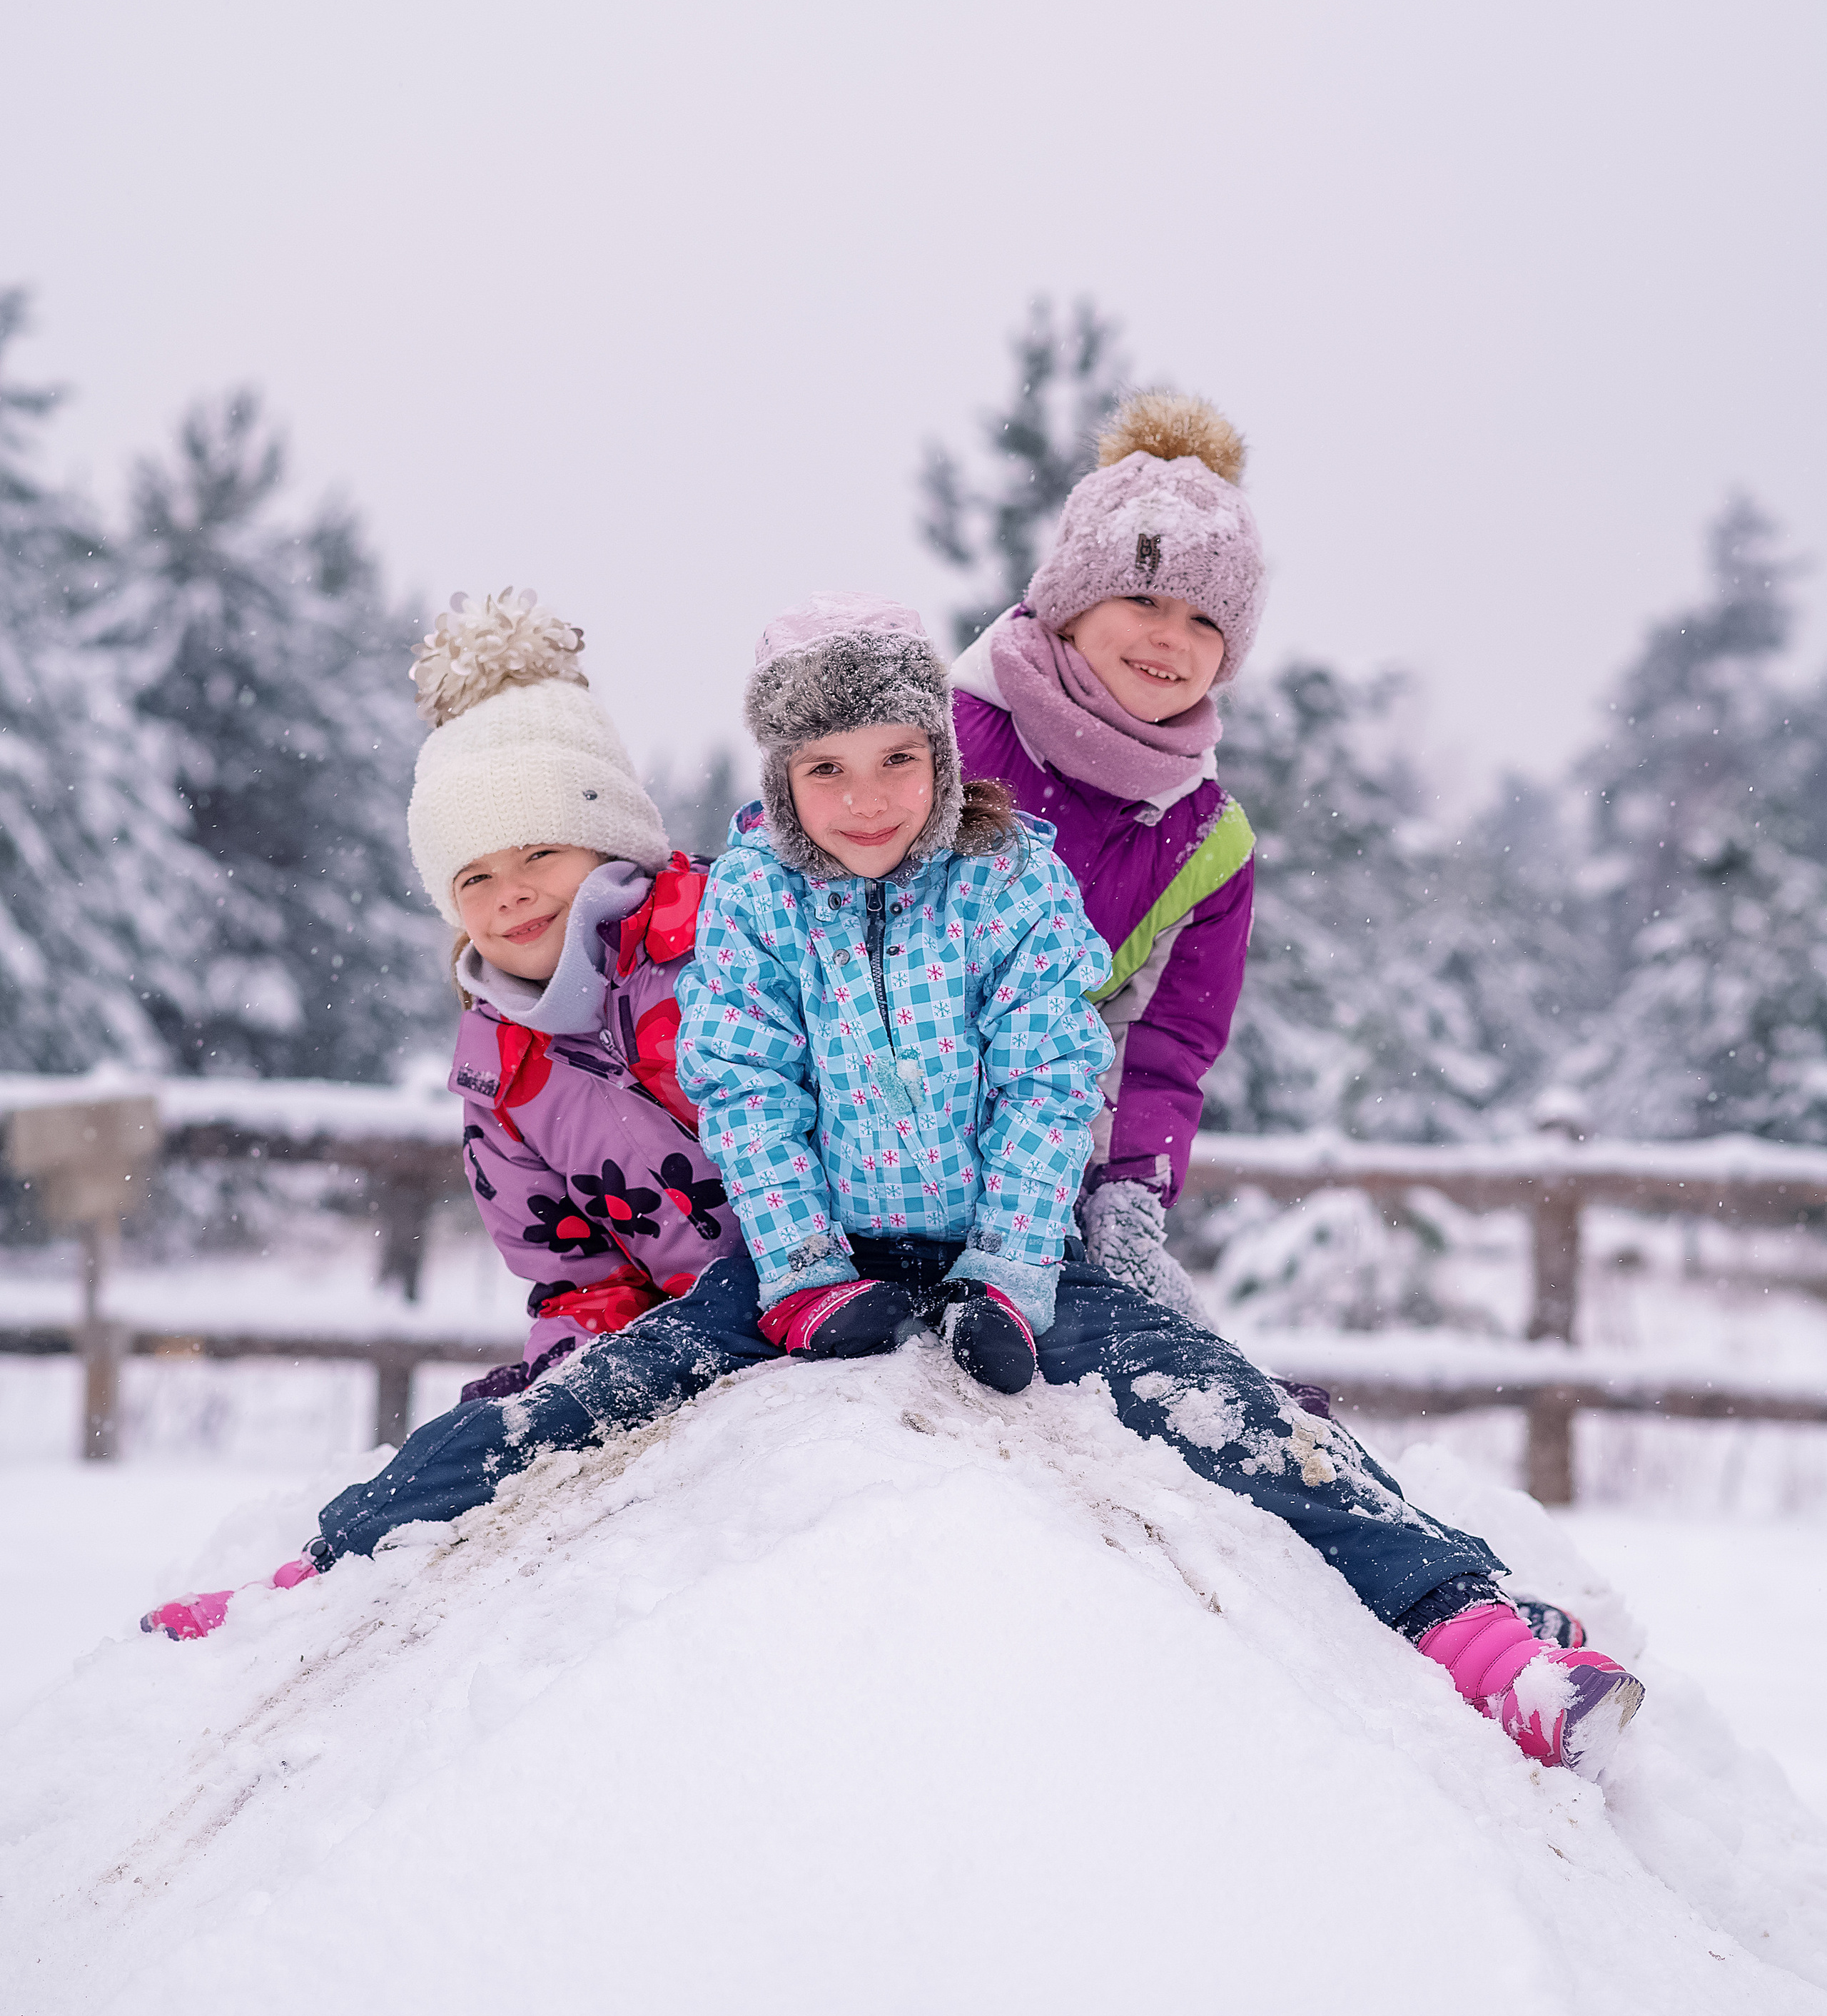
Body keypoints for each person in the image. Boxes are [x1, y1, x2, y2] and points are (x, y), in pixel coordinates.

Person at [668, 592, 1646, 1780]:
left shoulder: (1006, 881)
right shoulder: (756, 896)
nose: (865, 799)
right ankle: (373, 1551)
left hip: (1013, 1258)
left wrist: (1016, 1270)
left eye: (896, 760)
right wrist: (804, 1273)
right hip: (818, 1267)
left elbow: (1051, 1079)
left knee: (1217, 1400)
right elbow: (744, 1085)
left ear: (939, 753)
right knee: (598, 1392)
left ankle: (1478, 1635)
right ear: (780, 778)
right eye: (825, 768)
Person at [142, 588, 746, 1636]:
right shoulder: (497, 1071)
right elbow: (567, 1268)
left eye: (539, 855)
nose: (510, 894)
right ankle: (326, 1578)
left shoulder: (735, 947)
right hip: (676, 1327)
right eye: (475, 876)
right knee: (493, 1436)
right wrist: (583, 1367)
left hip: (815, 1272)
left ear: (610, 840)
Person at [949, 389, 1261, 1324]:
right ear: (1071, 605)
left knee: (1193, 1377)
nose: (1173, 636)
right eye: (1143, 598)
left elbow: (1162, 1042)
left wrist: (1125, 1194)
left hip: (1049, 1185)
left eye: (1209, 621)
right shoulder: (941, 740)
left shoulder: (1207, 840)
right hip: (872, 1147)